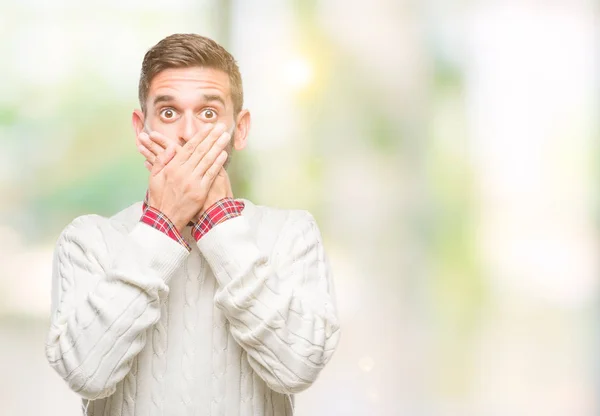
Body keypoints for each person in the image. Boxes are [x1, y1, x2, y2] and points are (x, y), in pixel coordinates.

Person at [45, 33, 340, 416]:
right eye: (168, 113)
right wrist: (163, 222)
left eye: (208, 113)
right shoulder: (87, 240)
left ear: (241, 128)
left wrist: (219, 224)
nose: (187, 133)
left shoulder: (292, 234)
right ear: (141, 129)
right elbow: (86, 374)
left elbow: (298, 369)